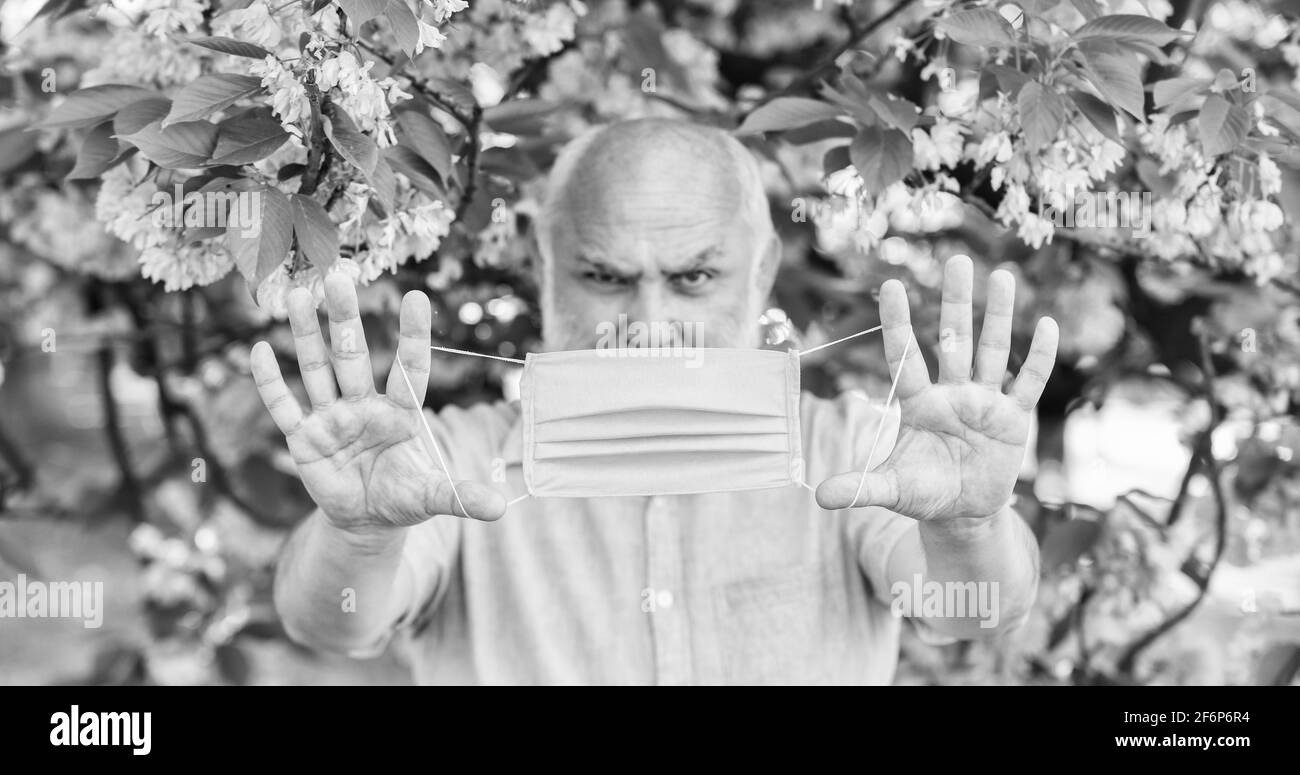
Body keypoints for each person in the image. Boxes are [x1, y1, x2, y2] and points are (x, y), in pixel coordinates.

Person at [251, 118, 1059, 685]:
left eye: (692, 277)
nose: (648, 326)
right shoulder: (445, 464)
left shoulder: (857, 453)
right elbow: (330, 624)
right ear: (544, 269)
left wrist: (969, 525)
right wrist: (357, 537)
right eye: (603, 277)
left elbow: (970, 615)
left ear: (764, 271)